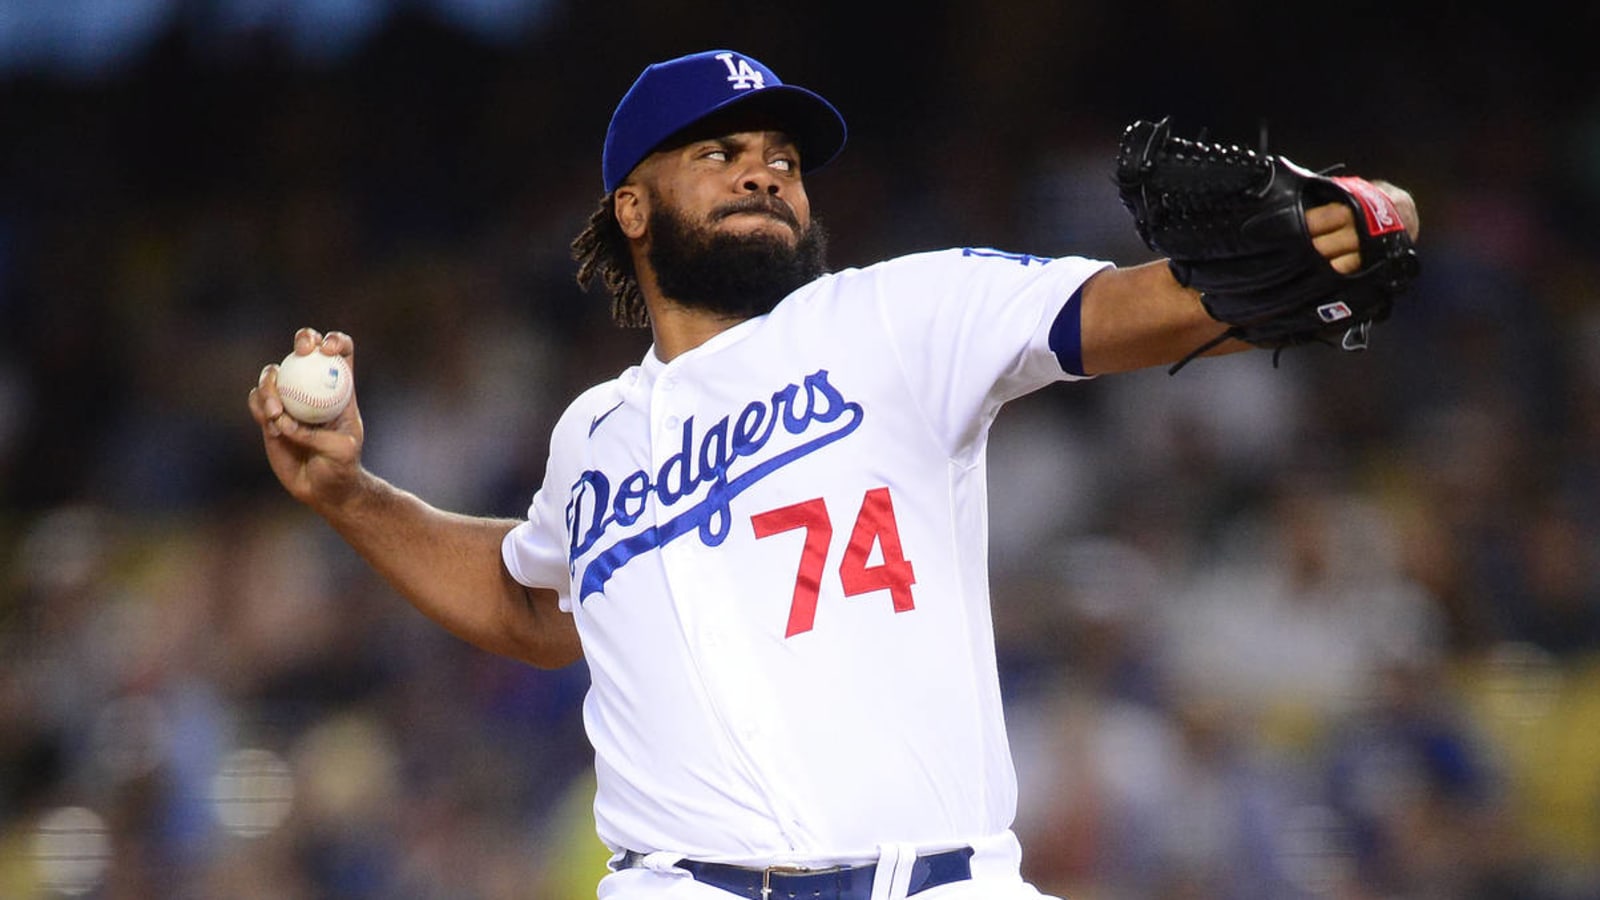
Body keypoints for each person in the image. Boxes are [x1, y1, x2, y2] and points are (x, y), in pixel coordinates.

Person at [248, 49, 1419, 900]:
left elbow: (1124, 307)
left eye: (784, 159)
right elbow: (531, 606)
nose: (765, 172)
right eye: (721, 152)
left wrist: (1331, 230)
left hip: (938, 883)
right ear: (633, 205)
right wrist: (350, 493)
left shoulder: (898, 314)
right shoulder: (592, 433)